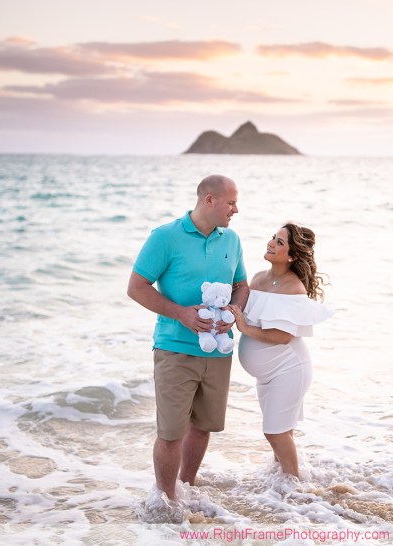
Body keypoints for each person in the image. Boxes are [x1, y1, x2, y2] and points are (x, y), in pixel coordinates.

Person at [127, 174, 249, 502]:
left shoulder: (231, 240)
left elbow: (241, 285)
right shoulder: (165, 237)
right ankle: (165, 500)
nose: (236, 209)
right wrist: (182, 313)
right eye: (231, 202)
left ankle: (187, 487)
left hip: (219, 352)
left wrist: (235, 313)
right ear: (209, 200)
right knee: (170, 433)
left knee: (203, 426)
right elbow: (136, 287)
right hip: (174, 349)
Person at [227, 223, 332, 478]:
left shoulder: (293, 287)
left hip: (289, 369)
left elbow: (283, 336)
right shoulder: (258, 278)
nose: (272, 243)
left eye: (280, 242)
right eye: (274, 237)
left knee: (275, 432)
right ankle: (283, 485)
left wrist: (244, 328)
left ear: (292, 255)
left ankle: (295, 489)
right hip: (268, 374)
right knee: (282, 431)